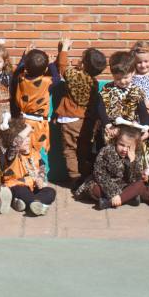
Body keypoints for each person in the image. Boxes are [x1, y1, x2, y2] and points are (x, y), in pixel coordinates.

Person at [53, 38, 106, 186]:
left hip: (70, 120)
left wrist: (64, 49)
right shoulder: (94, 82)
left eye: (81, 59)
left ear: (83, 64)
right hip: (85, 121)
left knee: (70, 150)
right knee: (83, 150)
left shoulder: (74, 77)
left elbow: (62, 67)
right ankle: (86, 175)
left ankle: (75, 178)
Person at [77, 125, 146, 210]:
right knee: (95, 189)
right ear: (116, 141)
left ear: (135, 147)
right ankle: (127, 198)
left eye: (129, 147)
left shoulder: (135, 155)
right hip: (105, 184)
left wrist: (132, 163)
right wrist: (113, 193)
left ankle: (108, 203)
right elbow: (99, 173)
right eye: (121, 145)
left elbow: (135, 179)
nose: (124, 149)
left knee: (140, 184)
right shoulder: (107, 151)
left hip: (123, 185)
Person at [11, 46, 61, 156]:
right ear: (45, 69)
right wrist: (52, 64)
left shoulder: (20, 78)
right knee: (34, 152)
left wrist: (24, 57)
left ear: (27, 68)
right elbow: (57, 78)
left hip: (22, 121)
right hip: (39, 124)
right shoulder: (48, 82)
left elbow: (17, 71)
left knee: (22, 151)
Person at [1, 117, 56, 216]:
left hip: (32, 186)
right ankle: (35, 204)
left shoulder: (34, 154)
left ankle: (31, 203)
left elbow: (42, 169)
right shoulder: (11, 155)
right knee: (21, 191)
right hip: (16, 185)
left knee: (50, 191)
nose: (26, 140)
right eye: (23, 137)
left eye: (28, 137)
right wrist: (27, 128)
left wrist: (40, 178)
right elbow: (16, 143)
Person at [96, 51, 149, 144]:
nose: (122, 81)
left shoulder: (137, 91)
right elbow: (101, 108)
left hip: (130, 130)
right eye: (118, 79)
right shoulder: (107, 90)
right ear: (113, 75)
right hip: (111, 130)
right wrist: (108, 125)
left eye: (126, 77)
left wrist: (145, 127)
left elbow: (142, 111)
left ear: (133, 72)